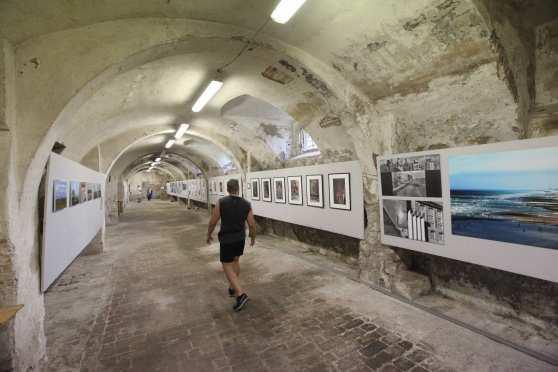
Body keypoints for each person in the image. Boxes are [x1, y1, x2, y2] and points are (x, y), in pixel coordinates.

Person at [207, 179, 256, 312]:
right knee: (235, 260)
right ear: (238, 189)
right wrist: (253, 237)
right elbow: (251, 223)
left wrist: (209, 234)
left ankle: (240, 295)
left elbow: (213, 221)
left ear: (227, 189)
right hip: (240, 239)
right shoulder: (246, 204)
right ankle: (232, 287)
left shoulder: (221, 203)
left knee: (226, 265)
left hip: (227, 239)